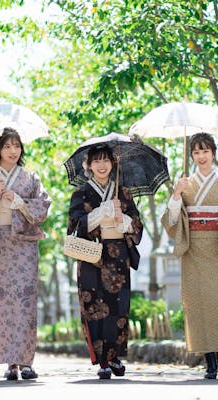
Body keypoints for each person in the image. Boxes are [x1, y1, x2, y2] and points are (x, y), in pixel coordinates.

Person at [161, 132, 218, 379]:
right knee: (197, 305)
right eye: (196, 152)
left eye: (205, 151)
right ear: (191, 155)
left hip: (215, 248)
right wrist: (176, 195)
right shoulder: (185, 183)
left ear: (213, 153)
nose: (201, 157)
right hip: (192, 249)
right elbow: (172, 221)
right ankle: (209, 361)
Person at [0, 127, 51, 381]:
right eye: (7, 146)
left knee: (25, 300)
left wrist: (17, 201)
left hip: (24, 245)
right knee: (3, 302)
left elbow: (43, 207)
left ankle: (26, 361)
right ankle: (11, 363)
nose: (13, 151)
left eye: (17, 146)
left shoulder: (31, 178)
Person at [68, 144, 143, 380]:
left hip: (117, 252)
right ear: (88, 165)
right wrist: (102, 212)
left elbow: (138, 228)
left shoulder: (124, 192)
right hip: (91, 254)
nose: (102, 165)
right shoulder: (80, 194)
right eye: (96, 161)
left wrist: (124, 218)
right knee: (94, 306)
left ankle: (115, 356)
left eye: (106, 161)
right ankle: (101, 359)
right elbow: (75, 226)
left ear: (113, 164)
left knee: (118, 305)